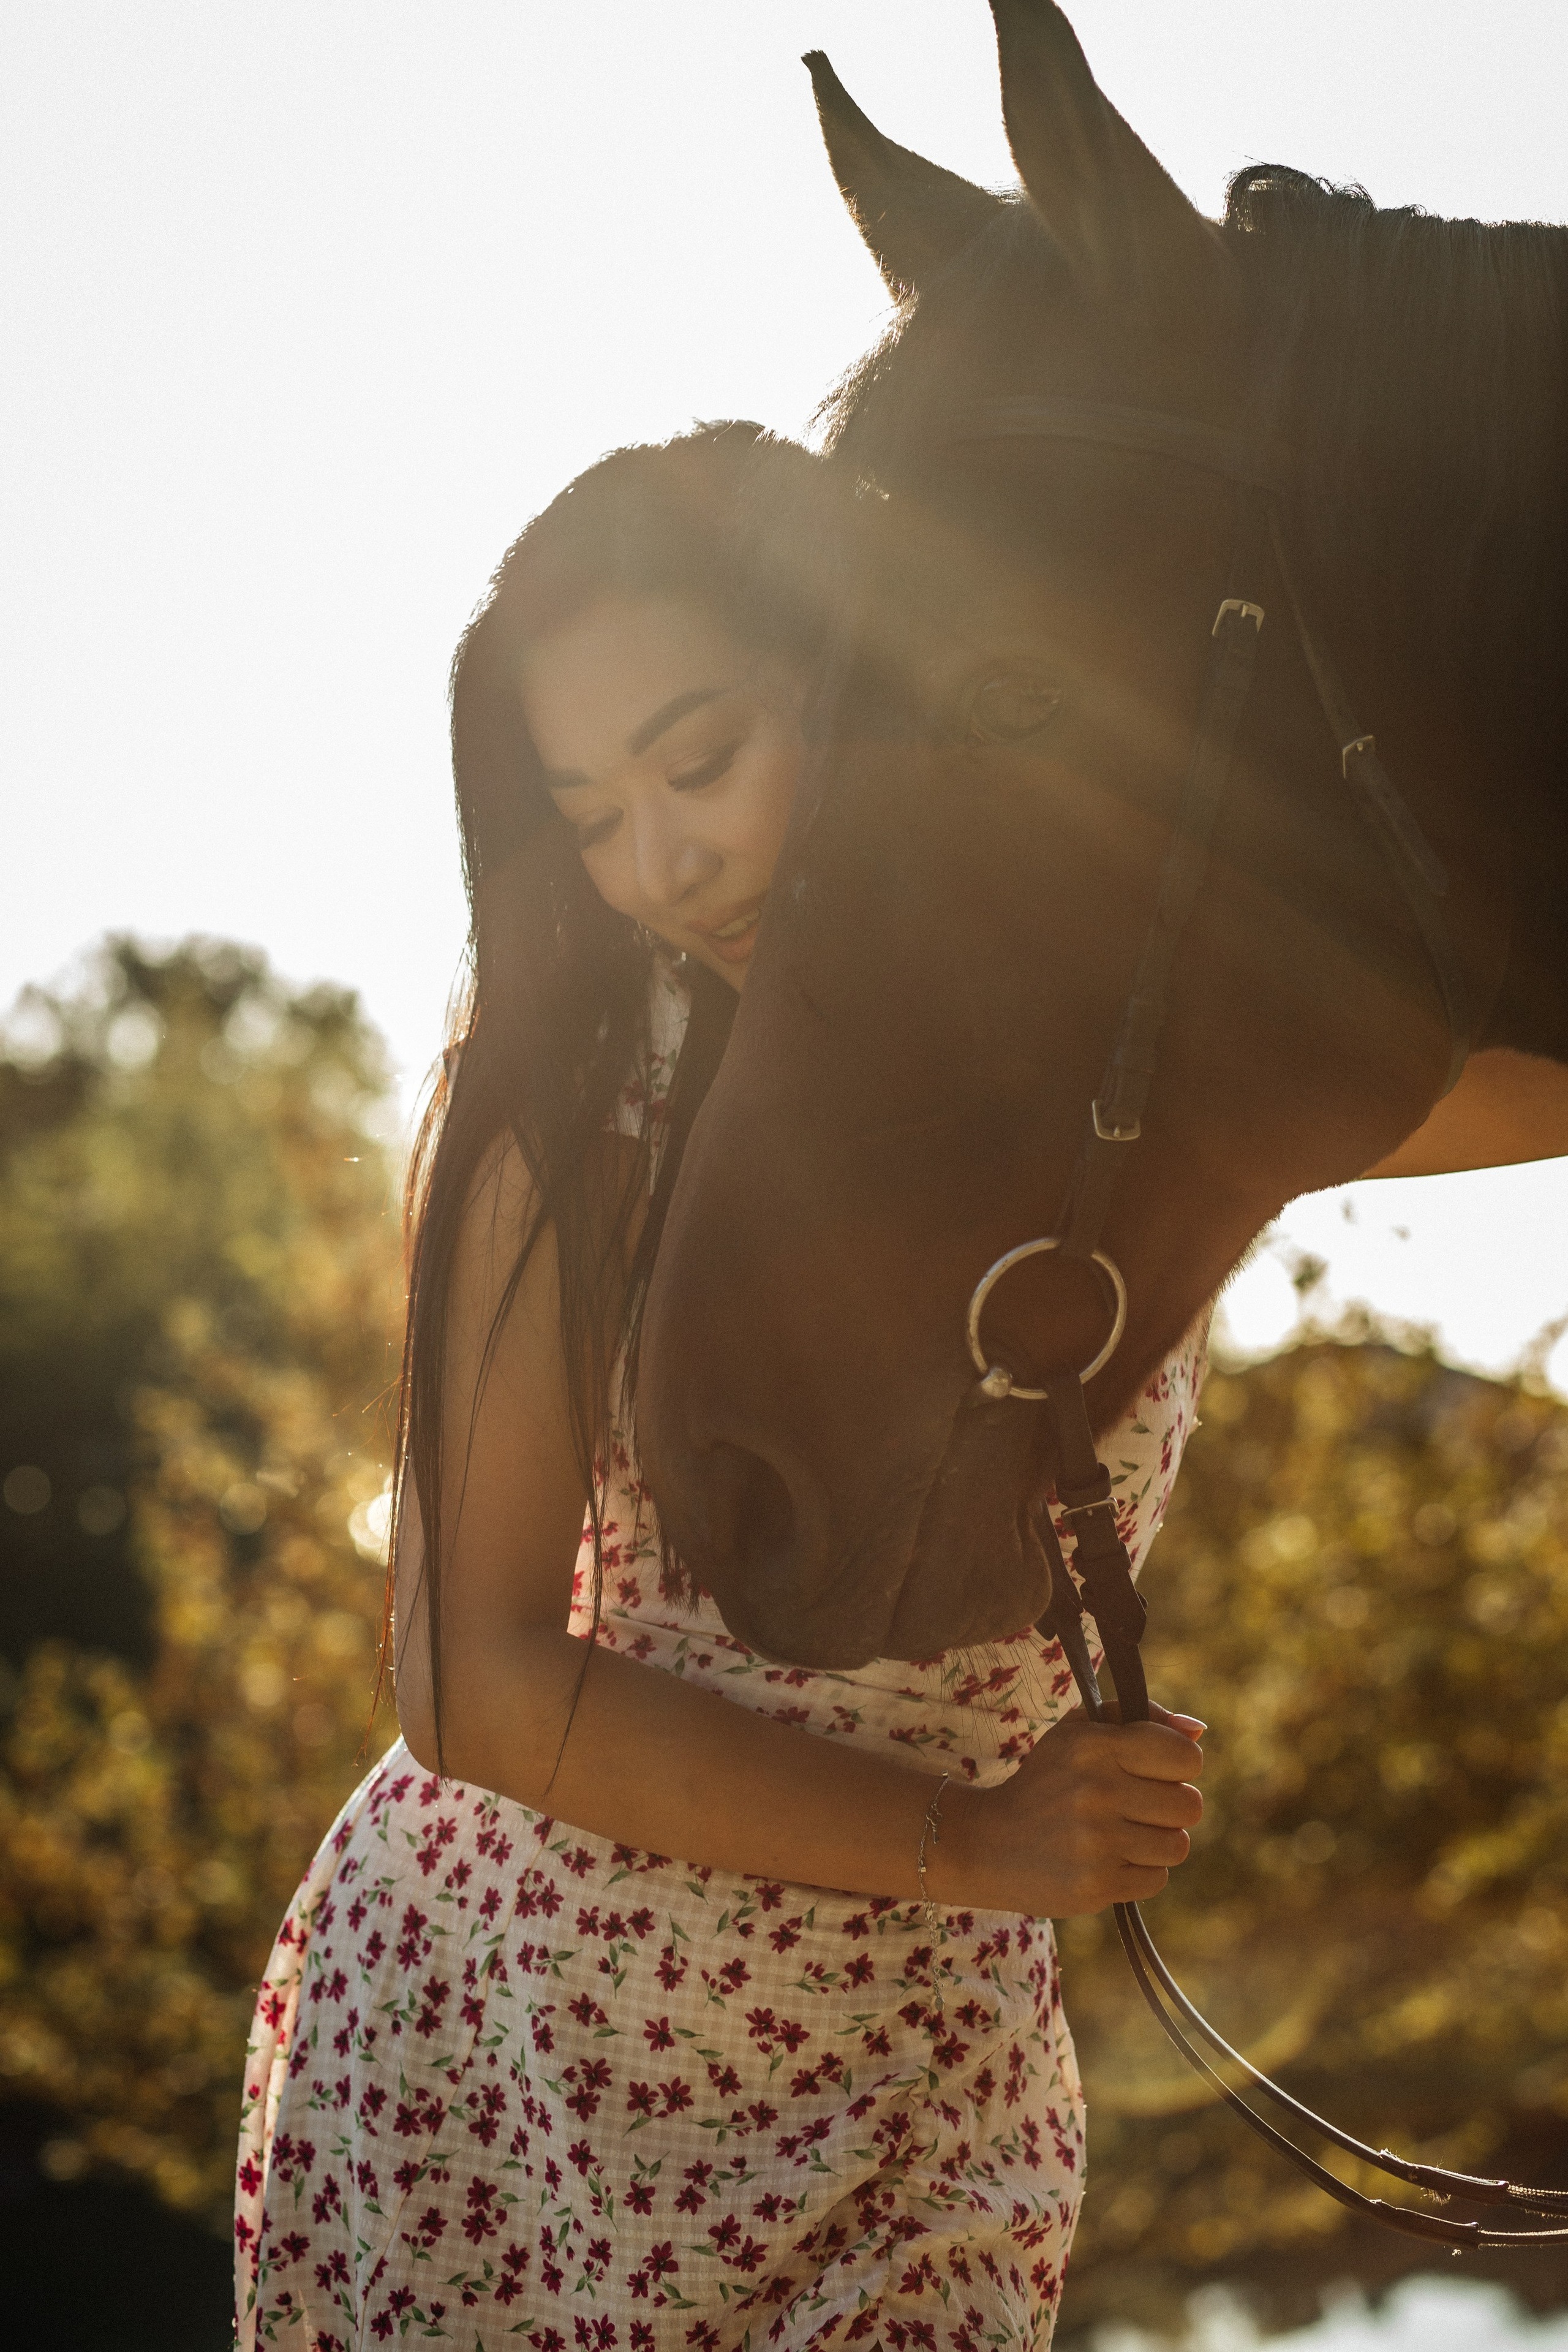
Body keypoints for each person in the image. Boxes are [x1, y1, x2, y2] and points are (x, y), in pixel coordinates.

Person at [233, 423, 1214, 2352]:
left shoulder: (1132, 1045)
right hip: (512, 2074)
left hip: (925, 2076)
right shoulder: (572, 1110)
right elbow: (466, 1678)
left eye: (701, 764)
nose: (657, 862)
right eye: (592, 814)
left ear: (855, 688)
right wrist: (988, 1847)